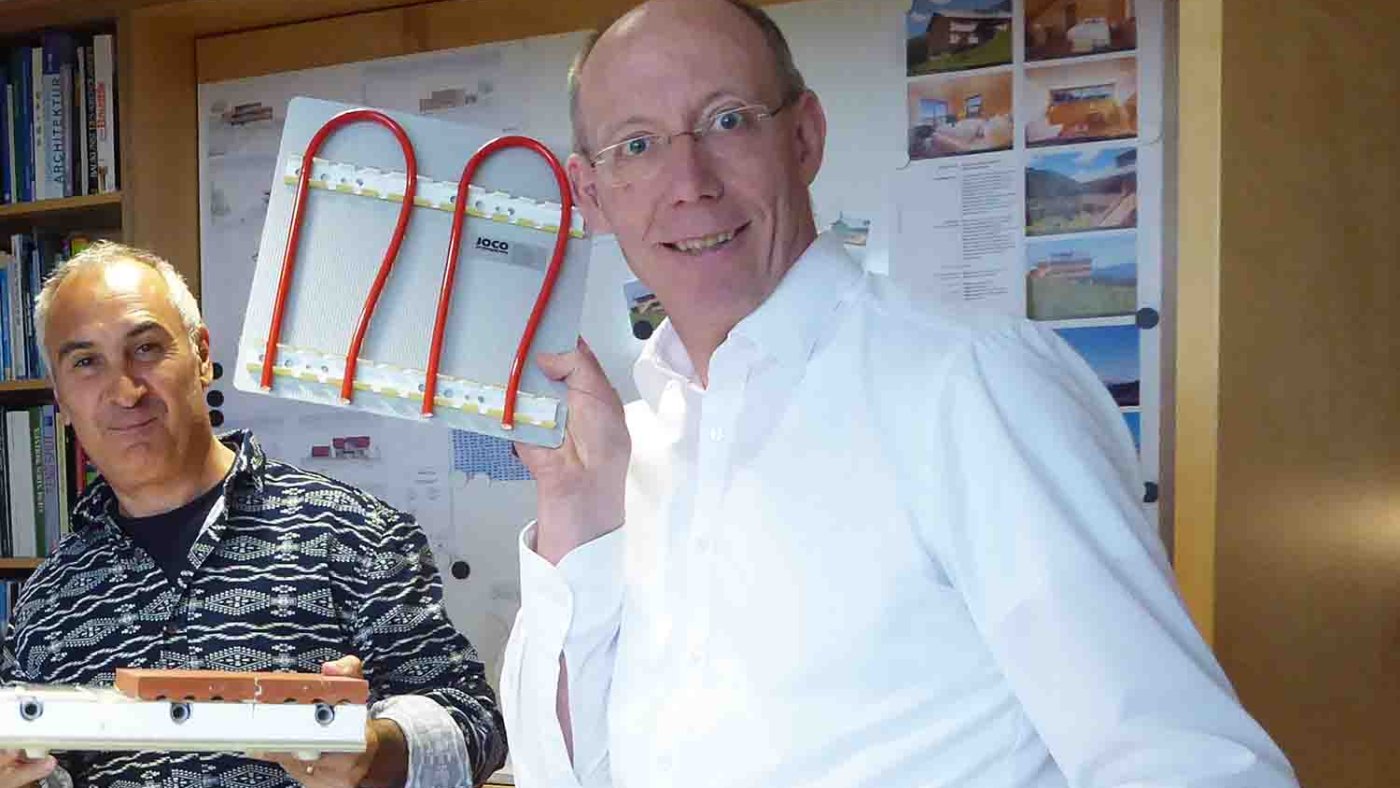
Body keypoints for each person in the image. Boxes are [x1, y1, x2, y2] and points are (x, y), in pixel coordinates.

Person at [501, 1, 1299, 786]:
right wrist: (577, 515)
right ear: (591, 194)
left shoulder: (972, 386)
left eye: (728, 121)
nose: (689, 183)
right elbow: (561, 770)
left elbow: (1190, 765)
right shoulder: (631, 449)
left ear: (805, 137)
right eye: (637, 145)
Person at [0, 242, 507, 787]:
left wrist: (375, 750)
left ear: (201, 355)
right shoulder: (46, 600)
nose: (125, 391)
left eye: (145, 348)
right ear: (60, 398)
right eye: (85, 362)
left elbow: (476, 728)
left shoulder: (353, 532)